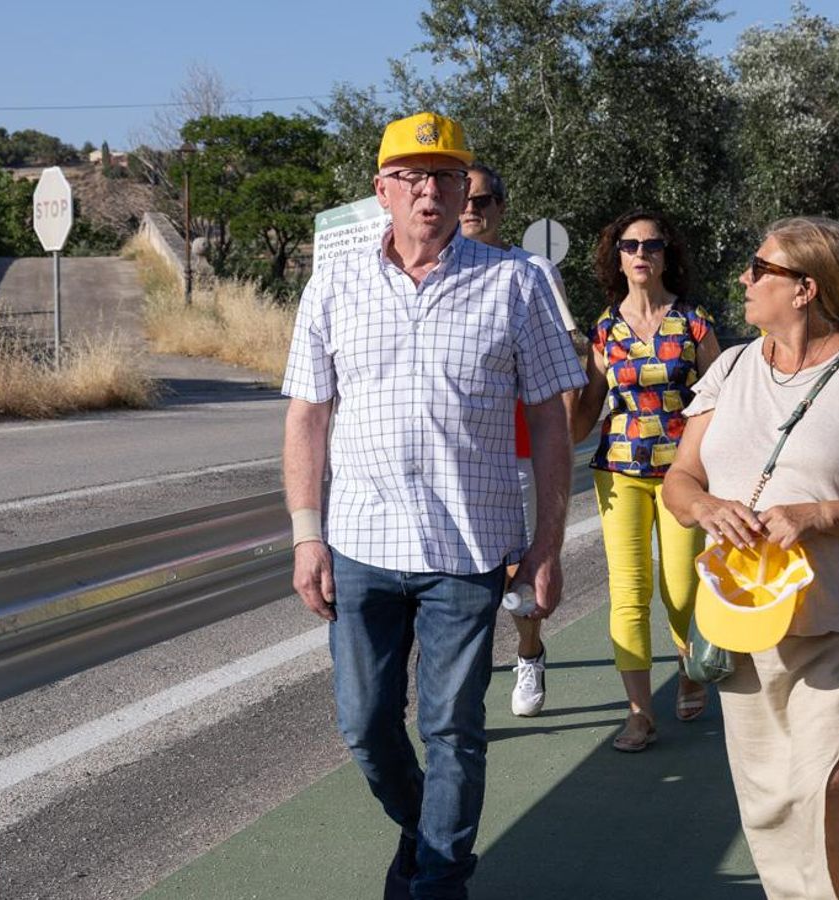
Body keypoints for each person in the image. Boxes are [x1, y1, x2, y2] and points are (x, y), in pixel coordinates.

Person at [282, 112, 585, 899]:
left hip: (468, 550)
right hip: (358, 545)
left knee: (454, 729)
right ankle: (423, 832)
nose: (430, 192)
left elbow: (554, 420)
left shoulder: (517, 281)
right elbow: (308, 415)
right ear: (381, 191)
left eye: (447, 177)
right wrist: (306, 537)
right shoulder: (335, 283)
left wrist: (547, 545)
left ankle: (438, 881)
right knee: (365, 726)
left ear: (466, 192)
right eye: (412, 178)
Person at [663, 216, 839, 900]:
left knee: (832, 778)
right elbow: (678, 481)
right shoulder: (729, 367)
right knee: (769, 801)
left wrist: (817, 515)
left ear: (806, 288)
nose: (744, 279)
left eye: (760, 268)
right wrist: (706, 509)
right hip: (744, 618)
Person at [571, 209, 720, 752]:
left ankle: (688, 666)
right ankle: (639, 713)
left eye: (651, 245)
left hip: (685, 473)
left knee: (681, 587)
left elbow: (720, 403)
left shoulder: (695, 323)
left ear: (666, 255)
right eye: (629, 245)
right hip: (619, 472)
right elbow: (581, 421)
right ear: (617, 256)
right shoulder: (603, 331)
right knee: (628, 595)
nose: (640, 254)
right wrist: (566, 380)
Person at [458, 161, 582, 717]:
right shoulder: (433, 272)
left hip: (520, 451)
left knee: (514, 572)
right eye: (464, 197)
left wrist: (568, 432)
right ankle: (461, 694)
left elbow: (563, 361)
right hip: (460, 453)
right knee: (454, 577)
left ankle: (529, 653)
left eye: (483, 200)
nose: (470, 209)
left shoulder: (529, 270)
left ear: (501, 208)